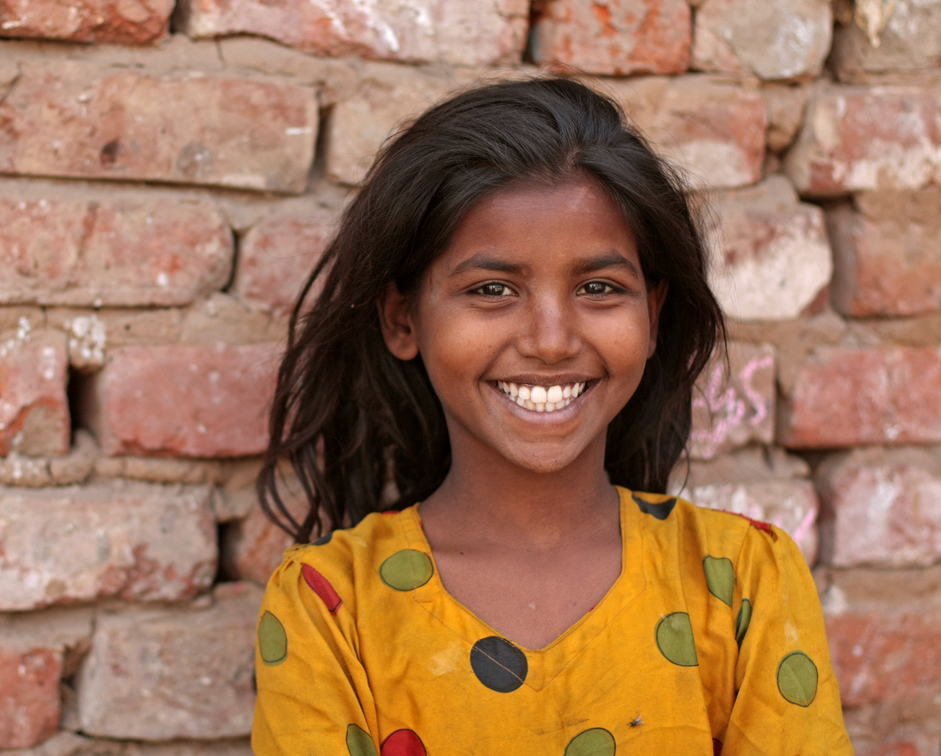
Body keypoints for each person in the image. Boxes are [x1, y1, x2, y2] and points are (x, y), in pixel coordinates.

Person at [251, 77, 853, 755]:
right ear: (403, 319)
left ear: (651, 316)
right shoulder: (331, 607)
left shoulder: (744, 583)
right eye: (492, 290)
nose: (550, 339)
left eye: (598, 288)